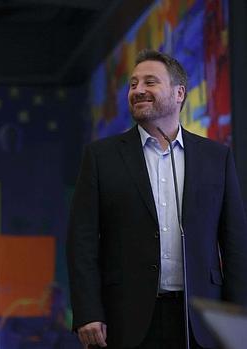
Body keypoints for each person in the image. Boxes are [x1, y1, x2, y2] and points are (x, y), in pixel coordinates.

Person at [67, 49, 247, 348]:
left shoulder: (216, 157)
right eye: (133, 84)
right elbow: (81, 242)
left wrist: (239, 321)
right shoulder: (101, 157)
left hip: (201, 322)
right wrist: (87, 312)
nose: (138, 90)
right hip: (126, 318)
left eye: (150, 82)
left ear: (179, 93)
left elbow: (235, 243)